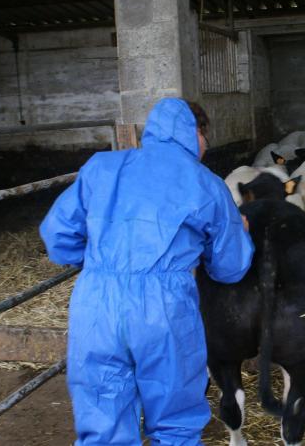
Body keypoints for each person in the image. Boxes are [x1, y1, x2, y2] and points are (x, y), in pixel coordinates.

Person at [39, 98, 255, 445]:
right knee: (175, 422)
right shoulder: (206, 183)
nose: (206, 147)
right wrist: (239, 232)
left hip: (96, 305)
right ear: (195, 133)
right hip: (163, 309)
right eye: (206, 137)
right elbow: (229, 268)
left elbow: (58, 237)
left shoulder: (102, 167)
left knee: (102, 421)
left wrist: (104, 262)